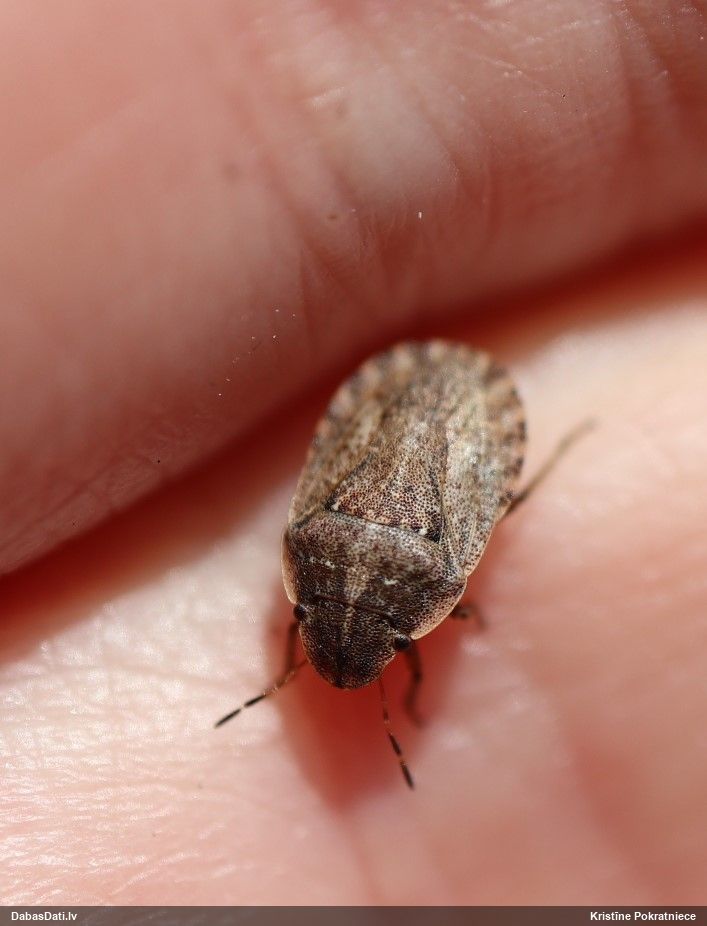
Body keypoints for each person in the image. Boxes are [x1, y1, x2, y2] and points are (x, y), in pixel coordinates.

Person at [1, 0, 706, 906]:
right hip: (438, 428)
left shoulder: (370, 572)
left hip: (417, 433)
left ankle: (554, 445)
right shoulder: (355, 572)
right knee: (511, 495)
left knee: (508, 495)